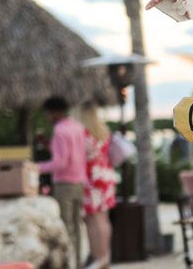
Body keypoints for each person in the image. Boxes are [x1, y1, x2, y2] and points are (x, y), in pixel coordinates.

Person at [39, 96, 87, 269]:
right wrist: (50, 146)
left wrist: (36, 167)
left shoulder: (59, 130)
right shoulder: (77, 127)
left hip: (64, 183)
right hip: (79, 181)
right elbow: (76, 155)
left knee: (65, 226)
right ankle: (78, 260)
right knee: (77, 225)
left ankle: (67, 262)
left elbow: (60, 162)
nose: (47, 116)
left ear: (54, 112)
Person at [79, 101, 117, 269]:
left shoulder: (83, 133)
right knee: (103, 219)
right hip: (106, 175)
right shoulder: (103, 131)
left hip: (91, 178)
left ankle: (98, 256)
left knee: (93, 219)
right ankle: (105, 256)